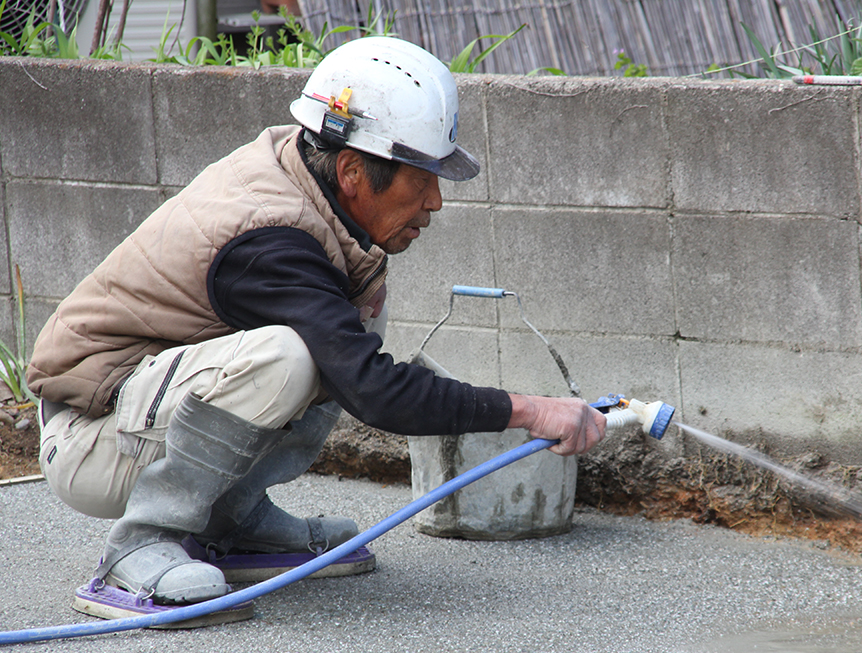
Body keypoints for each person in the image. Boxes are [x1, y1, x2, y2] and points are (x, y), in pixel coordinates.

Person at [26, 36, 605, 616]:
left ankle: (230, 522)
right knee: (291, 354)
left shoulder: (307, 181)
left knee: (349, 324)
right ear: (352, 170)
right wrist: (531, 410)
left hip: (145, 408)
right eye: (421, 178)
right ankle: (140, 546)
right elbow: (374, 391)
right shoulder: (268, 239)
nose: (435, 201)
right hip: (91, 438)